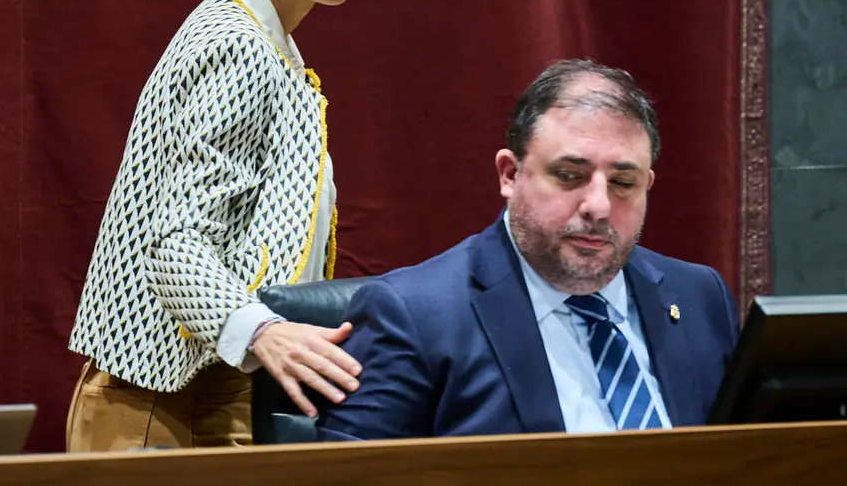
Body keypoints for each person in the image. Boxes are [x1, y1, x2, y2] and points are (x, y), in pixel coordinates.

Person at [66, 0, 364, 451]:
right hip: (165, 404)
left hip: (219, 391)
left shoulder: (265, 41)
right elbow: (176, 246)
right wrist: (262, 332)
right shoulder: (235, 43)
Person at [317, 59, 740, 440]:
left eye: (622, 183)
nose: (598, 206)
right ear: (510, 174)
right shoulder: (413, 315)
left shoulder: (698, 295)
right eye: (570, 175)